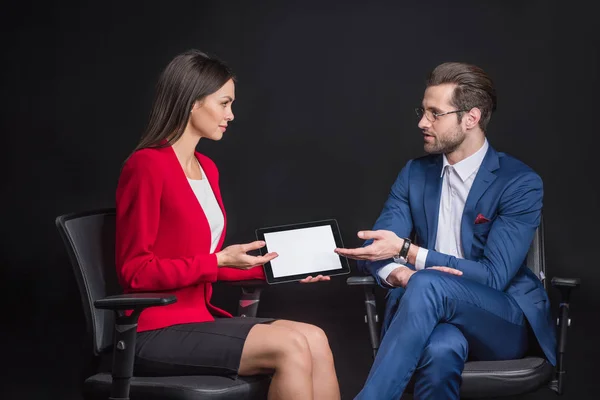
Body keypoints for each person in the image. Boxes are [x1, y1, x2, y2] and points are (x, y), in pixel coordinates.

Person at [115, 49, 340, 400]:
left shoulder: (207, 168)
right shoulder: (146, 166)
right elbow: (135, 272)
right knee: (292, 346)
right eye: (224, 103)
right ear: (192, 102)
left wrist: (278, 270)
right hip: (154, 329)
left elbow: (206, 265)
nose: (230, 115)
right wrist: (218, 260)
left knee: (315, 338)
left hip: (198, 320)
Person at [335, 62, 556, 400]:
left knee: (426, 281)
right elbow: (378, 248)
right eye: (422, 111)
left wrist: (411, 254)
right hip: (427, 316)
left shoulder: (519, 182)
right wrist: (399, 275)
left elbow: (494, 276)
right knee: (441, 349)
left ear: (471, 118)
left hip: (497, 318)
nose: (422, 123)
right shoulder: (414, 174)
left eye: (435, 114)